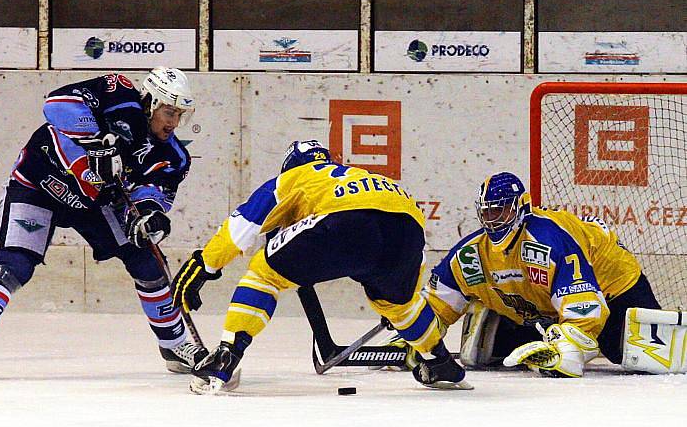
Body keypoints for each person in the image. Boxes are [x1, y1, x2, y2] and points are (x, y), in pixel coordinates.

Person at [170, 140, 470, 394]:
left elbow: (242, 227)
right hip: (408, 227)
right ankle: (439, 361)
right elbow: (413, 255)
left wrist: (204, 265)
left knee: (265, 271)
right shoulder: (358, 175)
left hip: (346, 220)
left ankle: (226, 355)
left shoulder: (294, 177)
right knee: (398, 305)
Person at [0, 67, 207, 373]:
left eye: (179, 115)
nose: (173, 122)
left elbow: (152, 194)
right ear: (151, 102)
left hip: (95, 202)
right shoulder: (119, 93)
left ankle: (173, 345)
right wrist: (96, 143)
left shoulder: (173, 157)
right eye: (168, 111)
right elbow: (56, 104)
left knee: (148, 262)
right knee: (13, 266)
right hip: (37, 184)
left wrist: (149, 216)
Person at [407, 171, 665, 377]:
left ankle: (568, 333)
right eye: (487, 212)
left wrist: (570, 347)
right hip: (542, 307)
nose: (492, 220)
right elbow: (439, 302)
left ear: (522, 207)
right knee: (485, 357)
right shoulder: (471, 253)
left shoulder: (548, 239)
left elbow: (585, 304)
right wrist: (415, 333)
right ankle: (490, 315)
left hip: (614, 290)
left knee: (631, 354)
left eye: (500, 211)